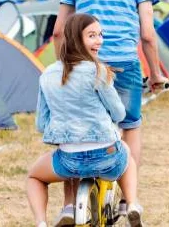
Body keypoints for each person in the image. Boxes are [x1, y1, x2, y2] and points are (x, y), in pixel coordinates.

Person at [53, 0, 165, 223]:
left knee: (75, 126)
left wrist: (63, 68)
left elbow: (59, 31)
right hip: (124, 63)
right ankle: (130, 201)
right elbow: (147, 34)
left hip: (83, 62)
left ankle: (67, 207)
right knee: (131, 125)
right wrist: (155, 74)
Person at [27, 14, 142, 227]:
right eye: (92, 35)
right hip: (108, 157)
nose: (99, 40)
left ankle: (42, 222)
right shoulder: (98, 70)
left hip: (68, 161)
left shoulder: (47, 75)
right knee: (126, 153)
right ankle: (132, 204)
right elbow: (118, 114)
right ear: (76, 39)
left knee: (35, 177)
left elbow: (41, 125)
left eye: (100, 35)